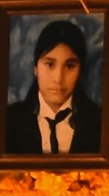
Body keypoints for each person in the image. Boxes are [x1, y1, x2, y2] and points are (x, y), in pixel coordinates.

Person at [13, 20, 101, 158]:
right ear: (35, 68)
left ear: (80, 70)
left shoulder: (99, 122)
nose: (58, 78)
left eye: (70, 66)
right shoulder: (10, 121)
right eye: (49, 64)